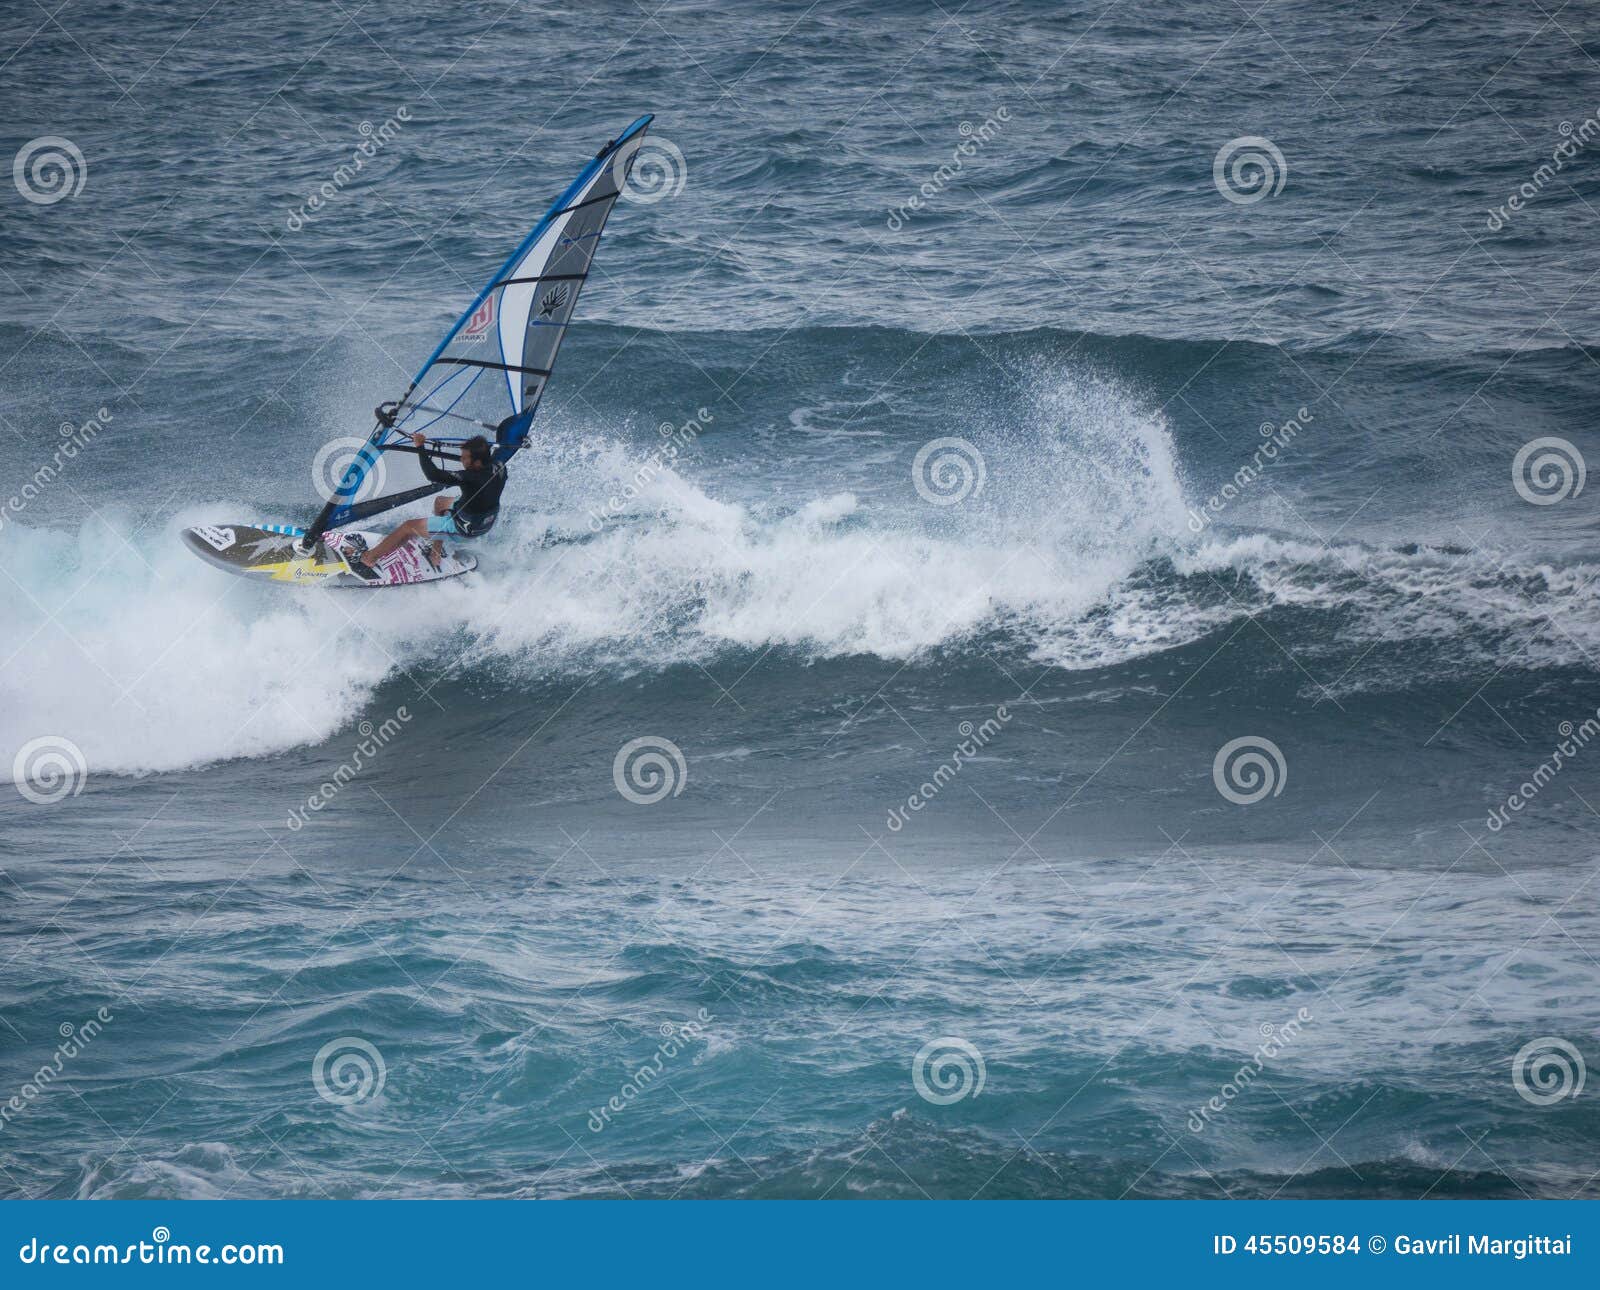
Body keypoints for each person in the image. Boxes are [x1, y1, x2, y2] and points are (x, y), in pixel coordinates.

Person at [346, 433, 506, 579]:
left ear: (477, 462)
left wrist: (420, 447)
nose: (461, 460)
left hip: (465, 528)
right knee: (440, 502)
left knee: (408, 527)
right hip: (486, 520)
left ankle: (369, 558)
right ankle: (436, 551)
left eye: (465, 458)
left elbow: (433, 475)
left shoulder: (470, 477)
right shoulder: (500, 466)